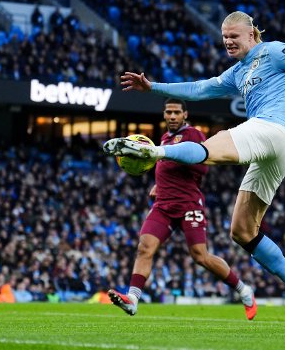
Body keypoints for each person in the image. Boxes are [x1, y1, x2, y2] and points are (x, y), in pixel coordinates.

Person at [104, 11, 285, 330]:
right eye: (225, 38)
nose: (229, 42)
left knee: (213, 144)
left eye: (234, 36)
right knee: (242, 231)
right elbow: (200, 88)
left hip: (271, 130)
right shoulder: (238, 71)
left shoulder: (273, 51)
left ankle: (155, 151)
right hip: (274, 151)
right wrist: (154, 88)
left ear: (251, 35)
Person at [108, 98, 257, 320]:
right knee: (144, 248)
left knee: (200, 256)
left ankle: (243, 290)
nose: (172, 116)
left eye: (177, 112)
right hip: (163, 205)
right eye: (168, 112)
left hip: (188, 203)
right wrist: (159, 183)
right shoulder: (163, 139)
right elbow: (167, 166)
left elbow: (203, 167)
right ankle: (132, 299)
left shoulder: (193, 135)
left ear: (185, 115)